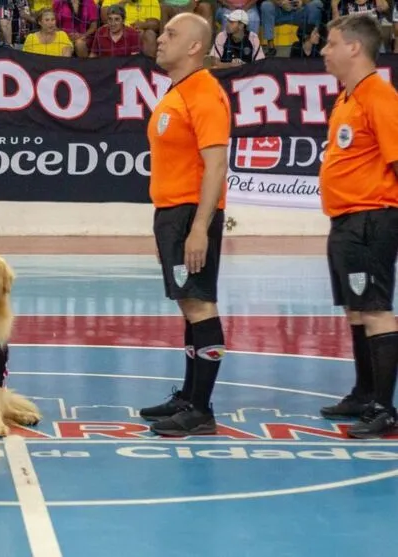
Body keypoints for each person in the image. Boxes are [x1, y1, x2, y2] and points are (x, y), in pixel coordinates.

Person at [140, 12, 230, 436]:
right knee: (188, 305)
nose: (161, 39)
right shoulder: (179, 90)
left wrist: (199, 227)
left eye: (171, 34)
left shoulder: (205, 93)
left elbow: (216, 166)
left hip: (191, 213)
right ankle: (190, 398)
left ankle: (201, 409)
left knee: (199, 304)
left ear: (195, 46)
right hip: (173, 213)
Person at [317, 13, 398, 439]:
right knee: (356, 308)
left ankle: (384, 407)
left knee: (376, 310)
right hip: (346, 217)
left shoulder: (378, 96)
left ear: (354, 47)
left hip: (372, 215)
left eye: (330, 44)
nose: (324, 51)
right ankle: (364, 392)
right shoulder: (348, 97)